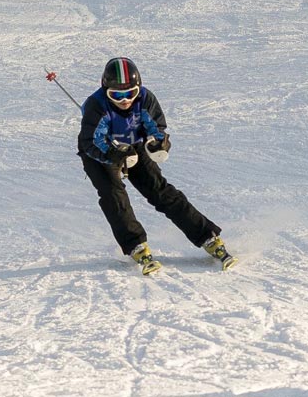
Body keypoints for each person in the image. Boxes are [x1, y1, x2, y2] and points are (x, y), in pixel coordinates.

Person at [77, 57, 238, 275]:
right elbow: (91, 141)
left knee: (159, 191)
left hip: (134, 146)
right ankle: (135, 244)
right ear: (106, 91)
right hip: (99, 152)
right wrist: (113, 155)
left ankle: (207, 237)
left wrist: (157, 143)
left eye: (130, 93)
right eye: (117, 95)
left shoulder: (145, 99)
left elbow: (156, 127)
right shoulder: (96, 105)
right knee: (113, 194)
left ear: (138, 89)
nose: (125, 100)